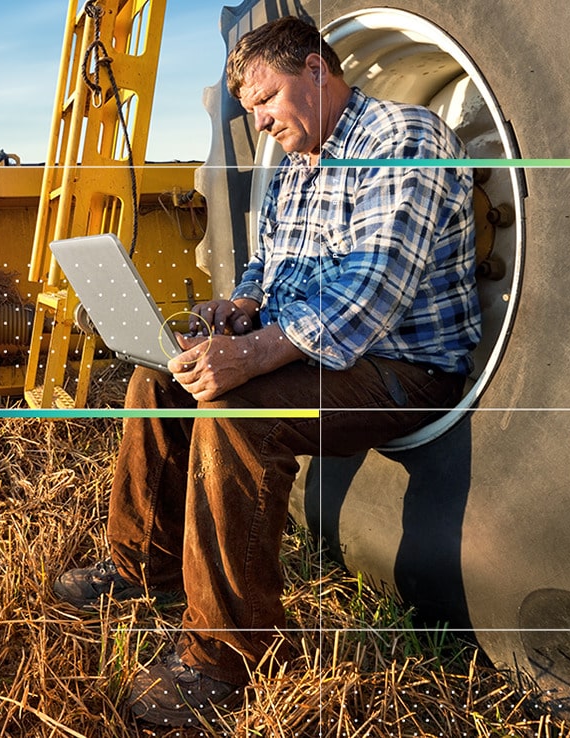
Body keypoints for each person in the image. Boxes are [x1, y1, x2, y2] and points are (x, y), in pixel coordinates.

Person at [53, 15, 481, 728]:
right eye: (247, 108)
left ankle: (226, 656)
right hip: (316, 350)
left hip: (400, 364)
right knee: (159, 381)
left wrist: (252, 355)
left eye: (264, 99)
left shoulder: (403, 139)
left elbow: (372, 289)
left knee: (234, 412)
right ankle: (140, 570)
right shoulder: (296, 163)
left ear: (316, 70)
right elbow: (268, 261)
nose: (256, 121)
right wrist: (241, 307)